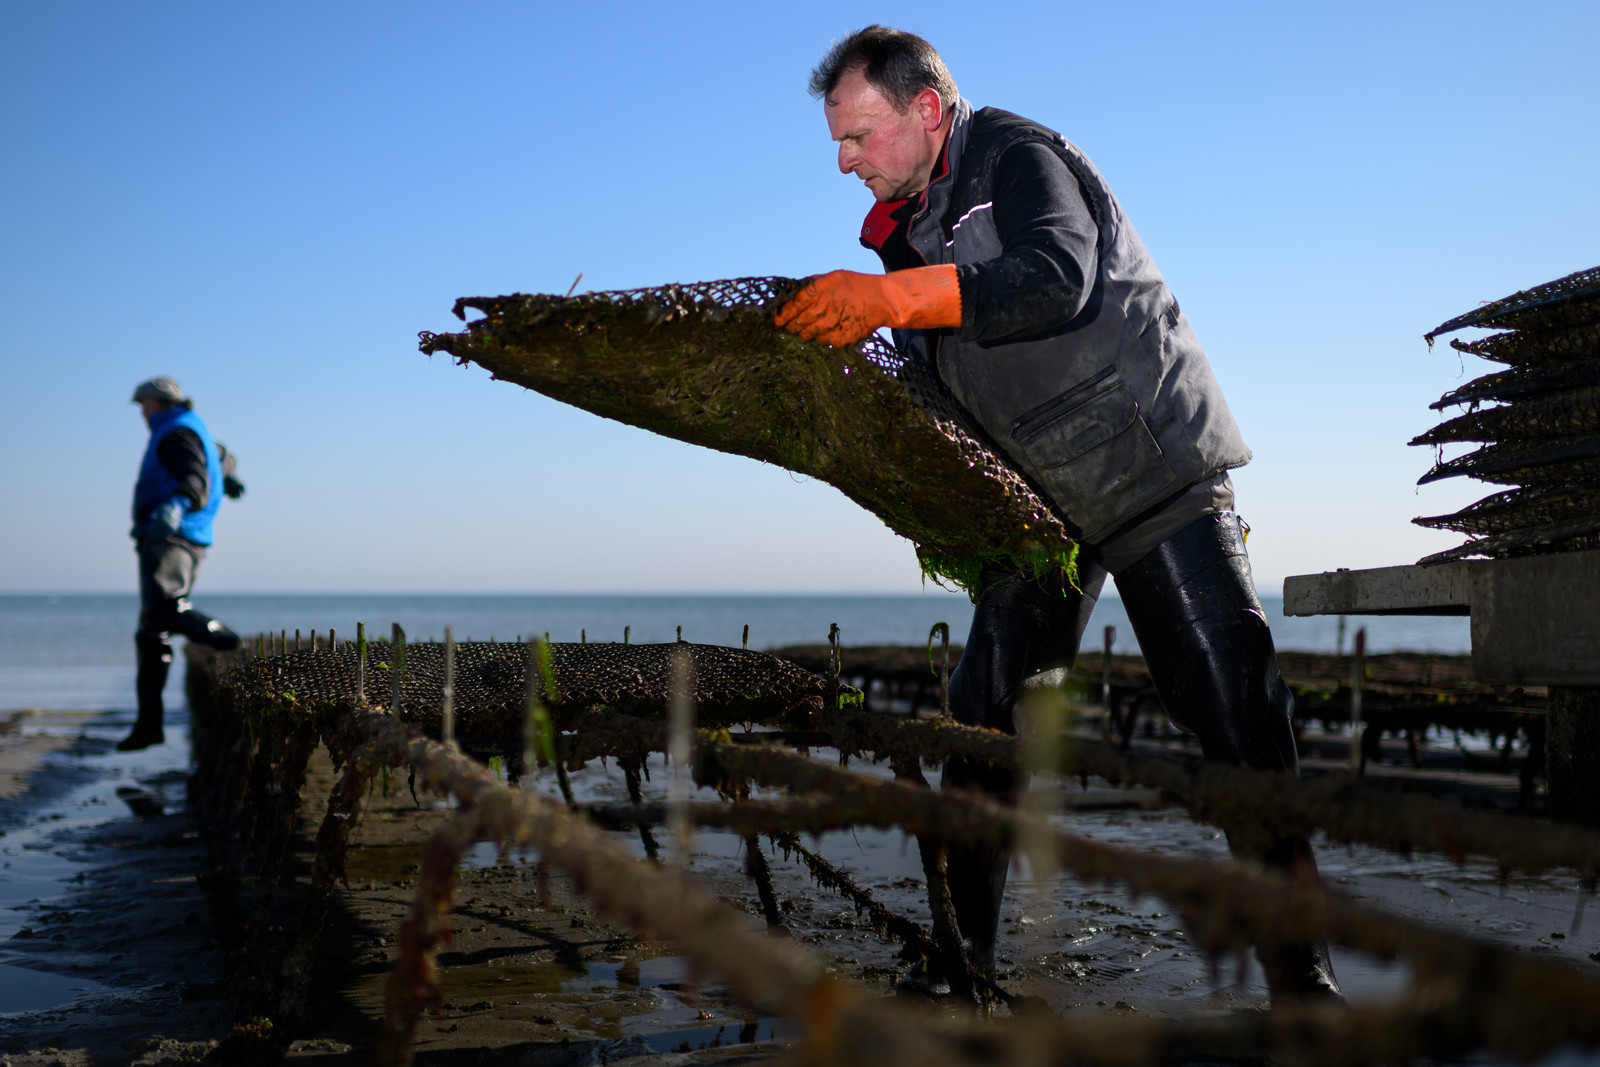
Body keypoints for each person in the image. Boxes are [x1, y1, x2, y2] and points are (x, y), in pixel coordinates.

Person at [776, 26, 1340, 1002]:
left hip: (1146, 461)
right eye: (837, 141)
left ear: (925, 110)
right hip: (1035, 507)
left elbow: (1055, 275)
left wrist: (890, 299)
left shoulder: (1017, 155)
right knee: (982, 712)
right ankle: (963, 962)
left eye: (859, 135)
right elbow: (943, 391)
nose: (844, 159)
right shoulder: (903, 233)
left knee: (1230, 703)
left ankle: (1302, 974)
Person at [124, 376, 243, 752]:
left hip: (172, 535)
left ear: (158, 402)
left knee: (165, 609)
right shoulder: (194, 429)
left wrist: (178, 504)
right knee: (151, 629)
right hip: (183, 536)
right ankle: (149, 725)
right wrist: (230, 478)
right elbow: (220, 457)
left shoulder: (175, 432)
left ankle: (227, 641)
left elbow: (193, 474)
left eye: (143, 404)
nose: (142, 412)